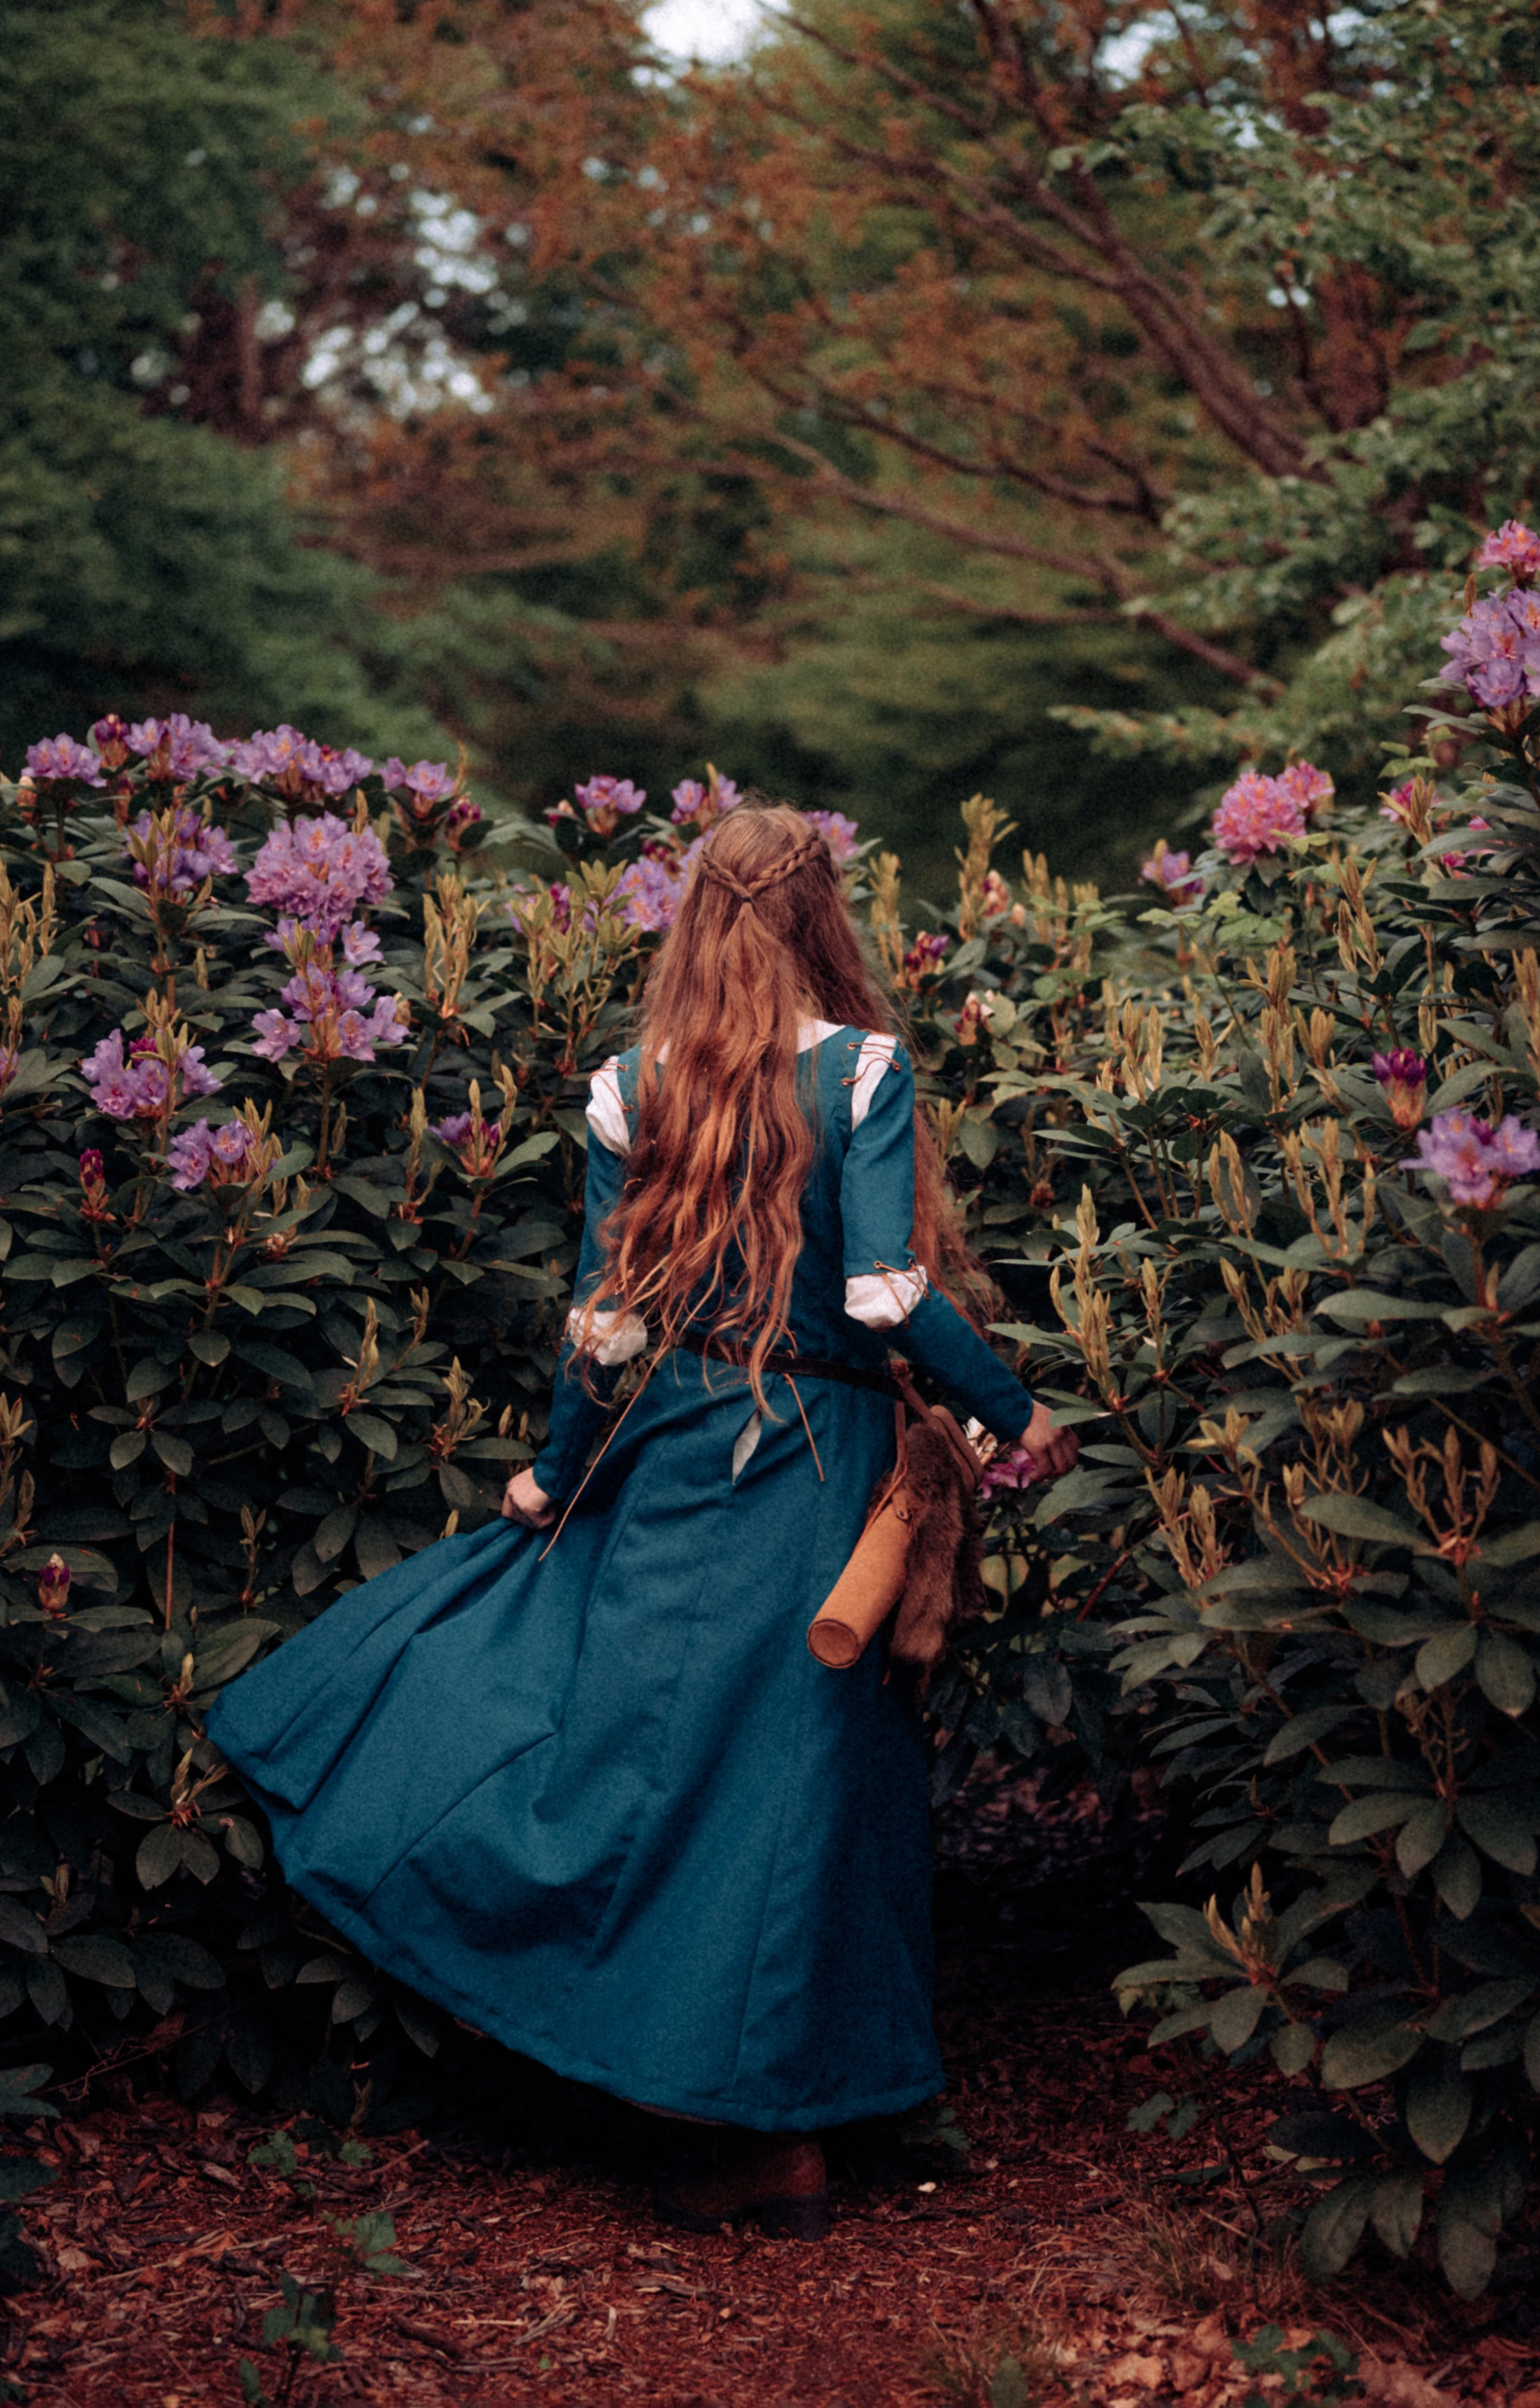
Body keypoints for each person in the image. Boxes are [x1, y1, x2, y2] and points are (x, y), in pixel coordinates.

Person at [208, 802, 1076, 2238]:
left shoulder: (635, 1084)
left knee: (645, 1752)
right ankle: (784, 2138)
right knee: (800, 1783)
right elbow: (881, 1295)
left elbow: (608, 1328)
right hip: (813, 1449)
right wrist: (1011, 1407)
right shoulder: (860, 1071)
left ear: (694, 915)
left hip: (674, 1442)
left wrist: (556, 1474)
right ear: (819, 913)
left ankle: (760, 2116)